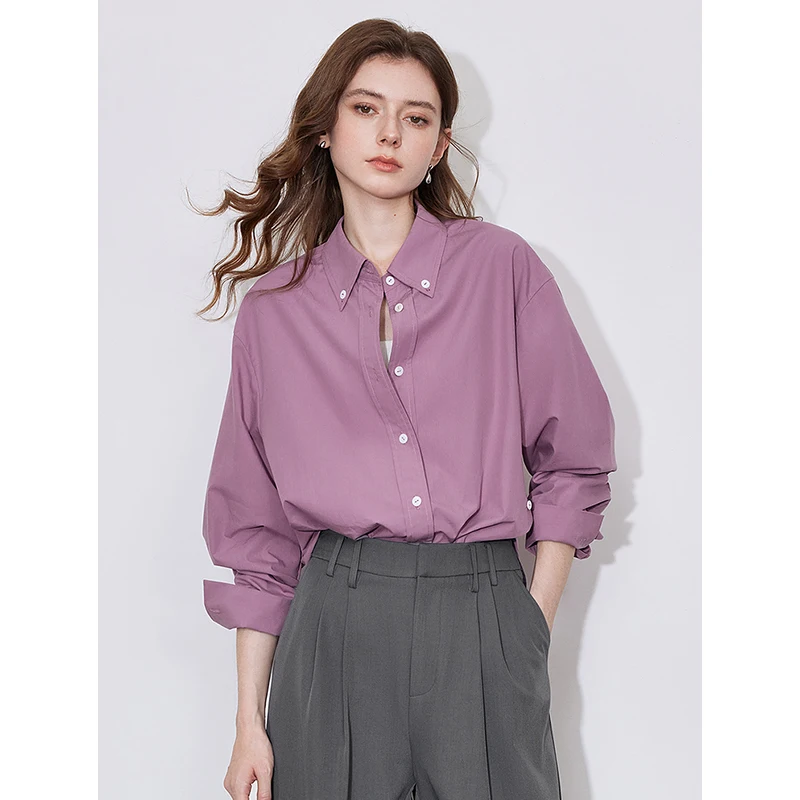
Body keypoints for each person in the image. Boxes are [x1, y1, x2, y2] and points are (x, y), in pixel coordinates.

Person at [194, 18, 617, 800]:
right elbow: (257, 531)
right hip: (333, 628)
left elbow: (576, 461)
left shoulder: (503, 270)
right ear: (325, 128)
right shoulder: (275, 313)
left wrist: (529, 624)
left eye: (415, 118)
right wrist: (249, 719)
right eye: (366, 108)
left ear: (438, 145)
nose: (390, 133)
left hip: (484, 616)